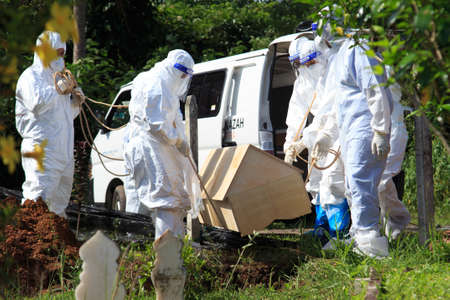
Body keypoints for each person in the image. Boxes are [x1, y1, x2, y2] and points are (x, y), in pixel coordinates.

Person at [122, 49, 203, 299]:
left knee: (145, 200)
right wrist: (178, 140)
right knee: (166, 200)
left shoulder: (159, 82)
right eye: (182, 74)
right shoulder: (157, 83)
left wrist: (177, 140)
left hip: (150, 147)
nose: (183, 79)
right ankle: (167, 261)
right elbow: (157, 124)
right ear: (173, 70)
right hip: (151, 148)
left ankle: (139, 255)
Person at [312, 21, 393, 258]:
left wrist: (380, 129)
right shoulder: (342, 55)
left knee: (361, 183)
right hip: (351, 130)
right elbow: (341, 103)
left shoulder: (358, 49)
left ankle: (371, 242)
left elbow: (376, 89)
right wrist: (328, 134)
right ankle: (359, 234)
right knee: (352, 185)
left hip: (365, 129)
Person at [284, 36, 349, 243]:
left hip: (337, 134)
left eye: (311, 62)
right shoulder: (304, 81)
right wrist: (290, 145)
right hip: (318, 135)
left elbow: (334, 110)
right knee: (316, 181)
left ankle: (340, 231)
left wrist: (311, 138)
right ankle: (323, 227)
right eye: (302, 64)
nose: (307, 67)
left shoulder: (331, 72)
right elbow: (296, 115)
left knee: (334, 181)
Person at [15, 31, 84, 218]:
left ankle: (55, 246)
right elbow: (36, 104)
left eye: (63, 53)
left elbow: (63, 117)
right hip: (42, 149)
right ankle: (28, 245)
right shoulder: (30, 77)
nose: (61, 57)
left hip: (63, 152)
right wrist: (57, 90)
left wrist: (75, 104)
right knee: (37, 201)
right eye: (57, 53)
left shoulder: (59, 79)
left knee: (58, 208)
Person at [379, 78, 411, 240]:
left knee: (383, 179)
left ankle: (396, 226)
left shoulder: (381, 62)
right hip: (374, 125)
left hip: (392, 125)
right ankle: (386, 229)